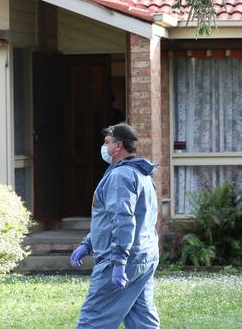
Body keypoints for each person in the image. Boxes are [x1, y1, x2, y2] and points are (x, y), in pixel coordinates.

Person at [70, 123, 160, 329]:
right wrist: (88, 243)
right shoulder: (141, 174)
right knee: (142, 320)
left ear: (118, 146)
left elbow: (122, 219)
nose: (104, 147)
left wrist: (119, 261)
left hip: (121, 260)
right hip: (143, 257)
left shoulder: (121, 176)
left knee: (93, 320)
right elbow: (112, 218)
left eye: (107, 142)